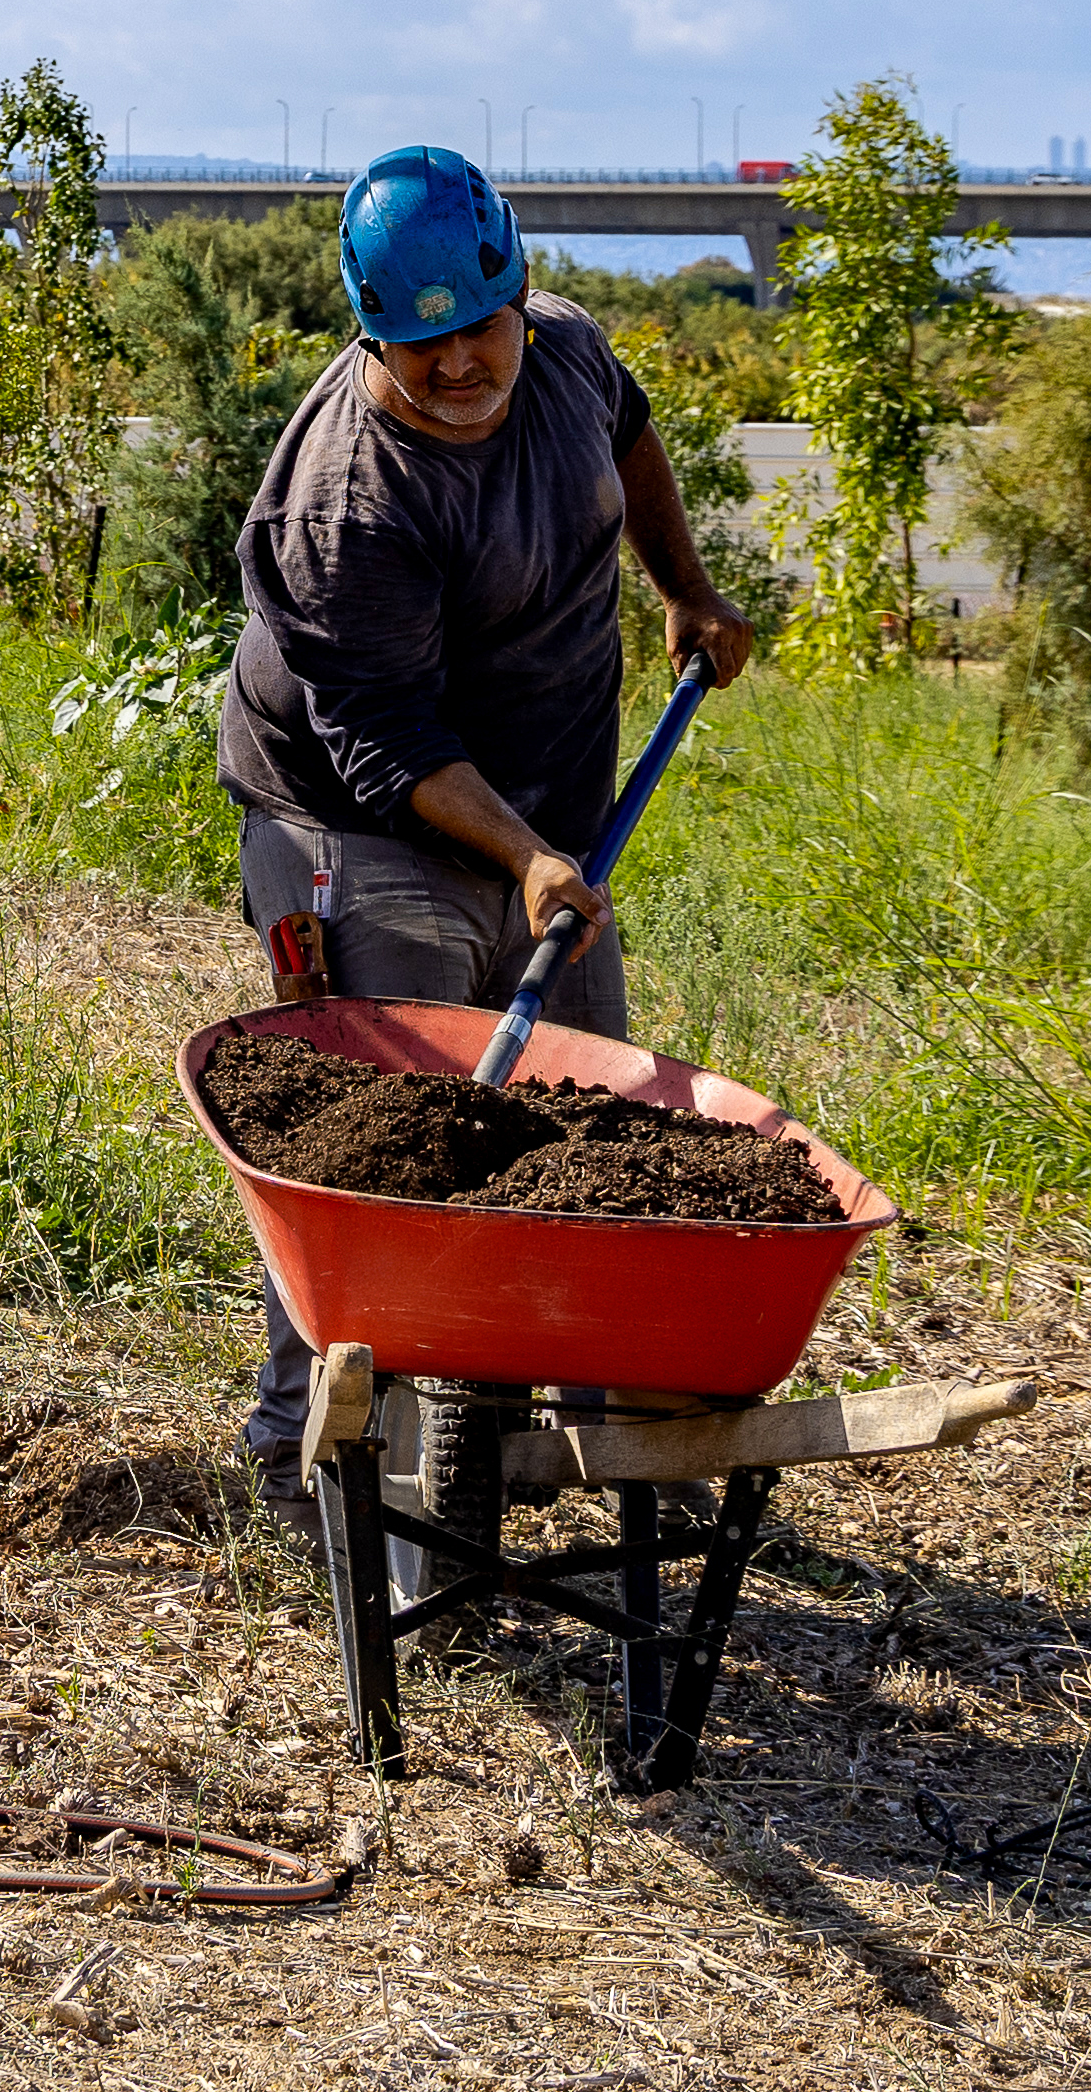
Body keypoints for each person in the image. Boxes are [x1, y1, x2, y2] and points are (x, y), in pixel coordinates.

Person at [218, 142, 763, 1471]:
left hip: (543, 826)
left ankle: (558, 1422)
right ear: (372, 345)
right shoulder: (352, 499)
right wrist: (524, 858)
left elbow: (627, 438)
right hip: (361, 828)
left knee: (587, 1131)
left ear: (521, 295)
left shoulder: (567, 354)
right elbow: (389, 742)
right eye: (421, 350)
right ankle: (321, 1448)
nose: (459, 365)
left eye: (479, 328)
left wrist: (684, 588)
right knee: (381, 1158)